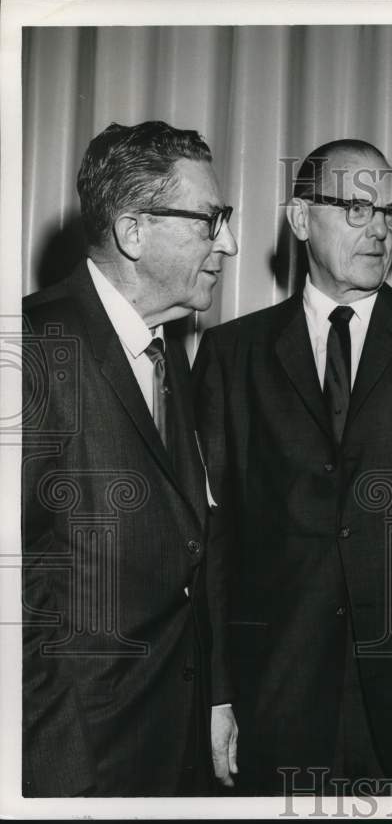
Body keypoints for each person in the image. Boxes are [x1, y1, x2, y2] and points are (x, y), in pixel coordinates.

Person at [194, 139, 392, 795]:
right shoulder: (232, 355)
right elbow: (213, 541)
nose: (379, 230)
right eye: (356, 209)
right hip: (276, 689)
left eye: (390, 212)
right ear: (301, 218)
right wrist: (217, 692)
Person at [21, 120, 238, 795]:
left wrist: (212, 698)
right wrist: (59, 771)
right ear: (133, 232)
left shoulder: (164, 346)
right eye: (210, 221)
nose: (226, 243)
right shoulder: (31, 348)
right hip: (79, 755)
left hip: (165, 740)